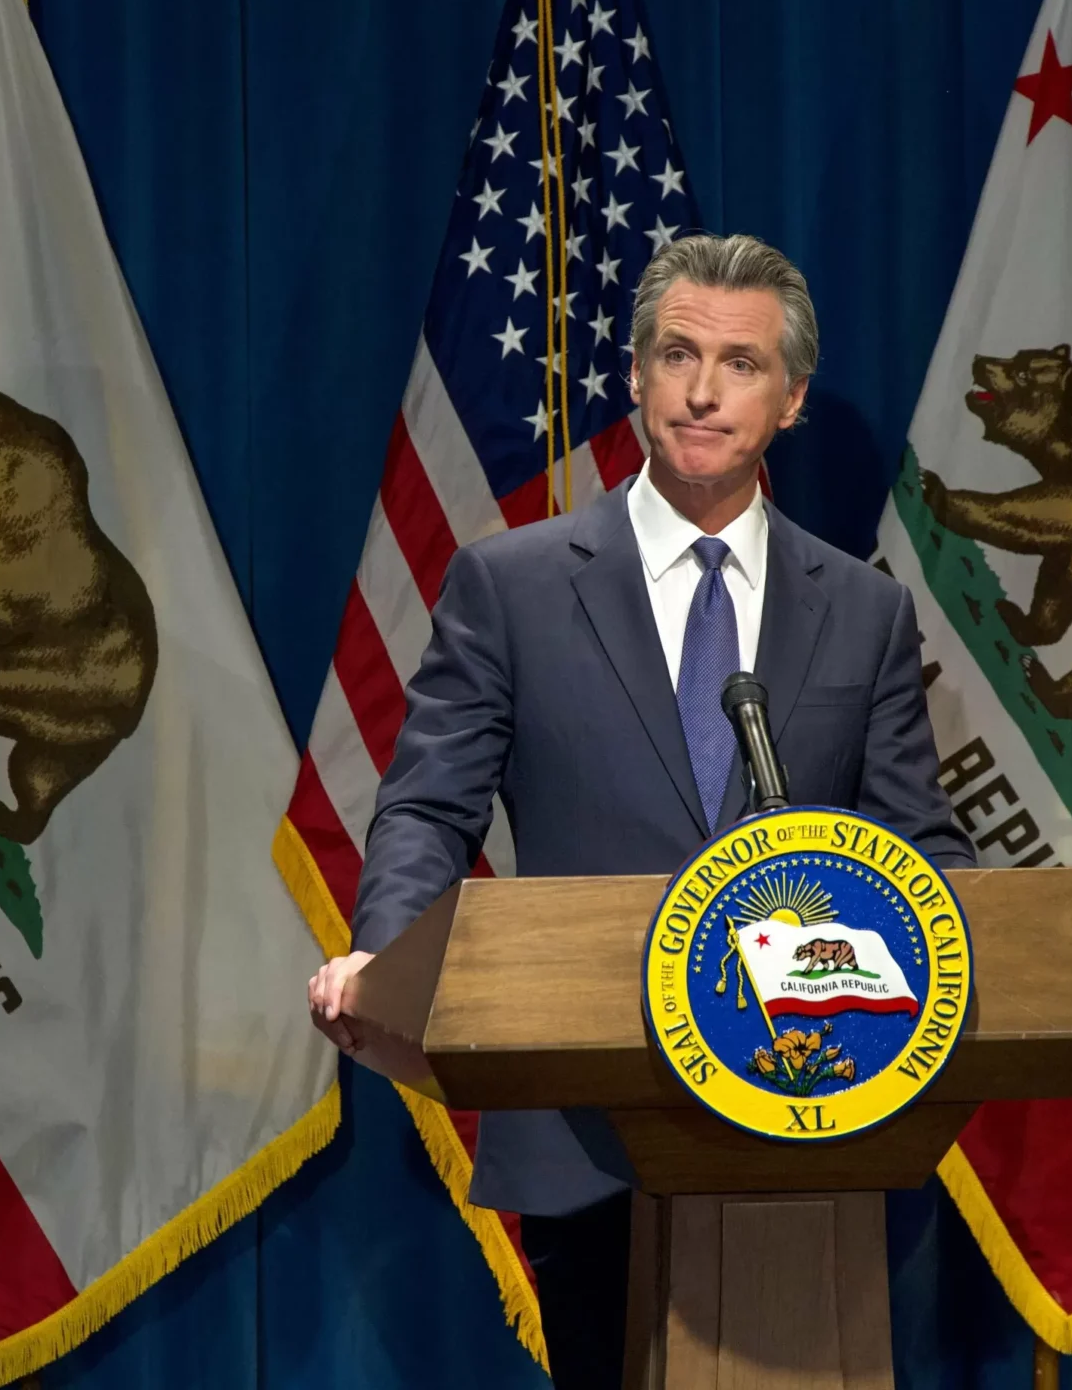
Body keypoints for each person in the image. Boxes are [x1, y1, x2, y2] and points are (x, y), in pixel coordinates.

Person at [308, 234, 974, 1389]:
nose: (704, 390)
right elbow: (427, 809)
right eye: (677, 354)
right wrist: (385, 954)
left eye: (740, 364)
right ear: (634, 374)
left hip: (808, 1109)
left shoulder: (864, 611)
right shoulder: (512, 586)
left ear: (791, 399)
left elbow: (920, 846)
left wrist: (978, 944)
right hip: (588, 1123)